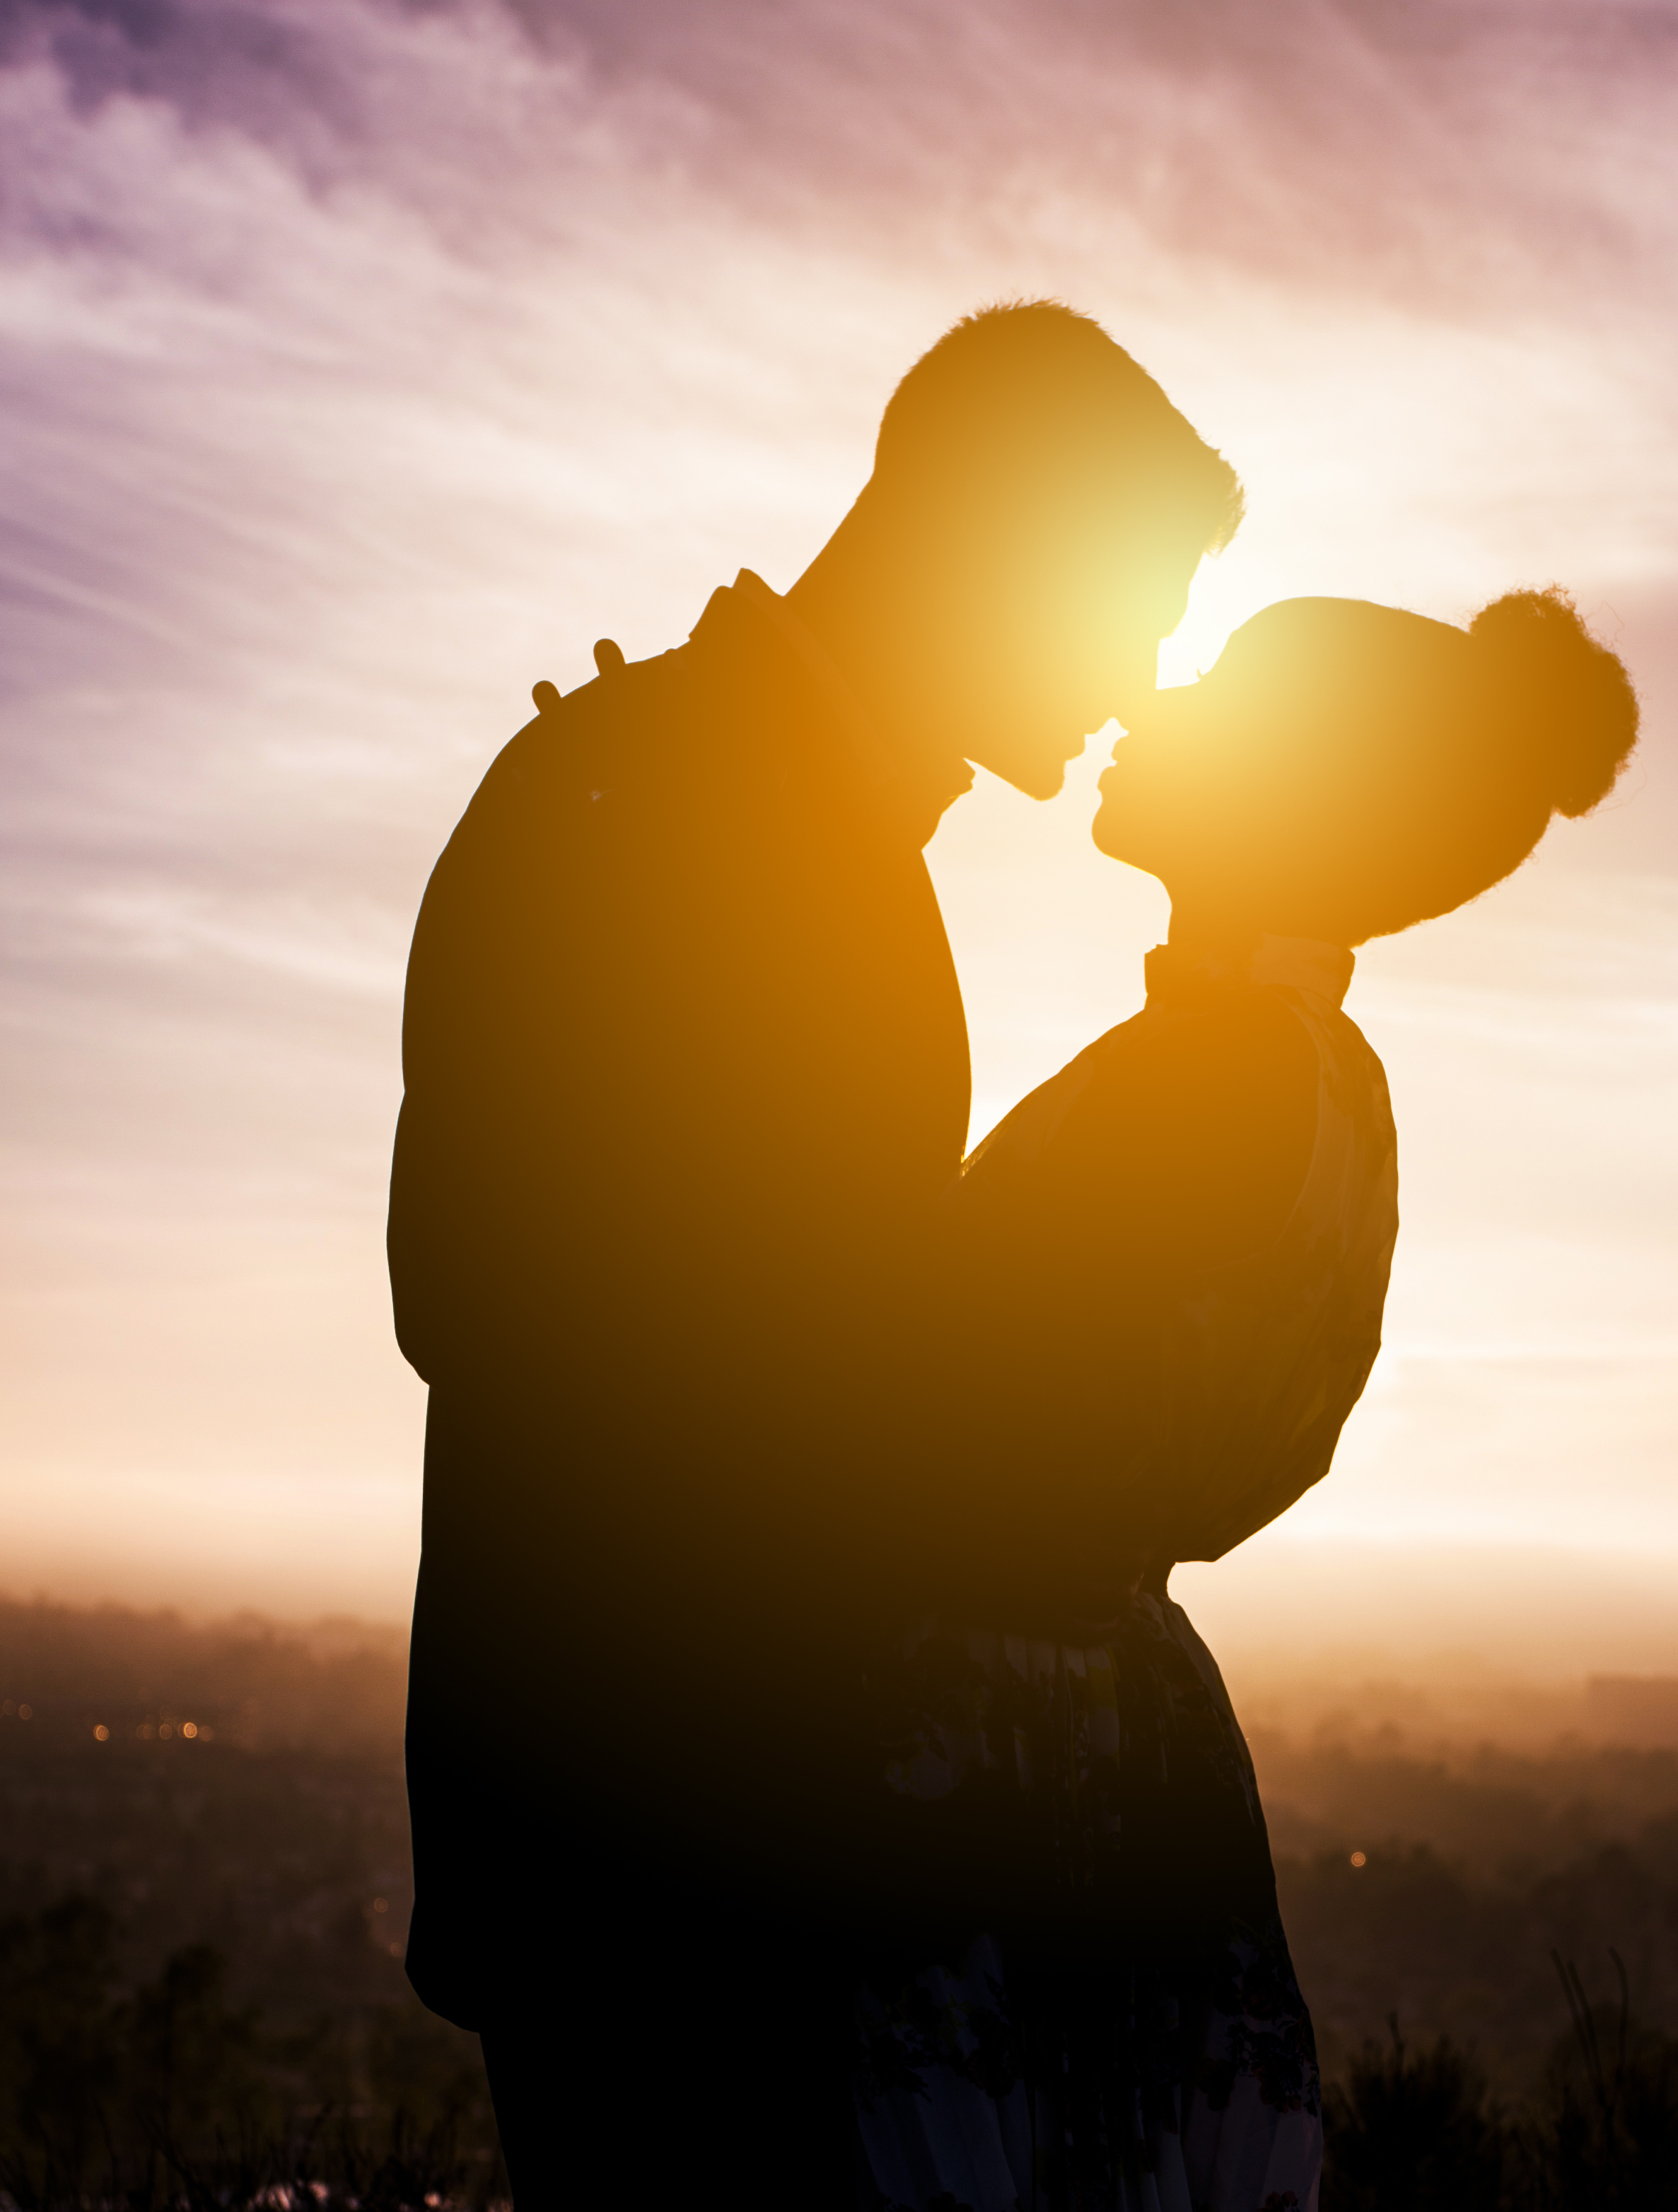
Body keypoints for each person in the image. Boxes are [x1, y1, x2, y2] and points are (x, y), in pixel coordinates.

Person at [386, 301, 1242, 2199]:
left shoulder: (783, 814)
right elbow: (483, 1289)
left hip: (737, 1850)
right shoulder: (656, 800)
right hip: (665, 1866)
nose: (1139, 682)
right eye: (1128, 610)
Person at [850, 588, 1640, 2211]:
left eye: (1216, 688)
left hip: (987, 1744)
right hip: (1120, 1735)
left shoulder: (1211, 1078)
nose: (1150, 703)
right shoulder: (1326, 1081)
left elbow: (910, 1398)